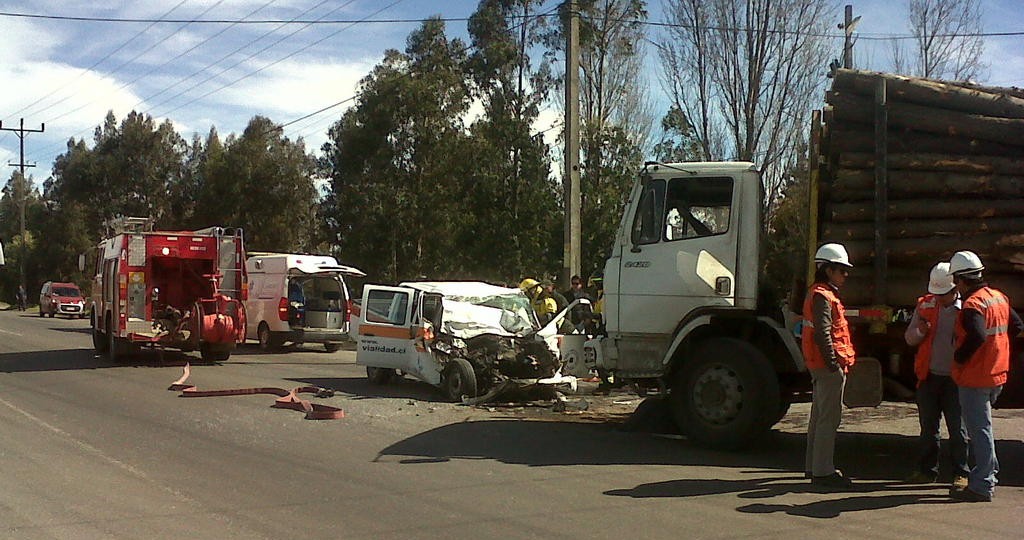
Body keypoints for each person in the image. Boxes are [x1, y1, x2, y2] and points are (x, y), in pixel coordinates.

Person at [947, 250, 1024, 502]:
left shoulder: (972, 305)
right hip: (996, 374)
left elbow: (978, 335)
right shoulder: (998, 297)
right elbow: (1017, 327)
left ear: (961, 279)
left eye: (955, 281)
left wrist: (959, 357)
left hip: (975, 377)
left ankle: (982, 484)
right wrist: (996, 350)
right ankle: (988, 473)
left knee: (979, 430)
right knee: (984, 428)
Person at [903, 262, 969, 489]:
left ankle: (961, 473)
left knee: (958, 429)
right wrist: (921, 329)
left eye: (943, 294)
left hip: (956, 379)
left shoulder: (968, 309)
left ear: (955, 290)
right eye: (936, 293)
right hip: (929, 377)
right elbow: (910, 338)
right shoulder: (925, 305)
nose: (939, 298)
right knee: (928, 428)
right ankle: (926, 471)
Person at [802, 243, 856, 489]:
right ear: (827, 270)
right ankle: (823, 472)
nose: (845, 275)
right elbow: (823, 333)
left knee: (819, 416)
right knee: (828, 418)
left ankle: (813, 466)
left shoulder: (820, 293)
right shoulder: (823, 296)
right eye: (841, 270)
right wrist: (833, 363)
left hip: (819, 363)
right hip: (828, 366)